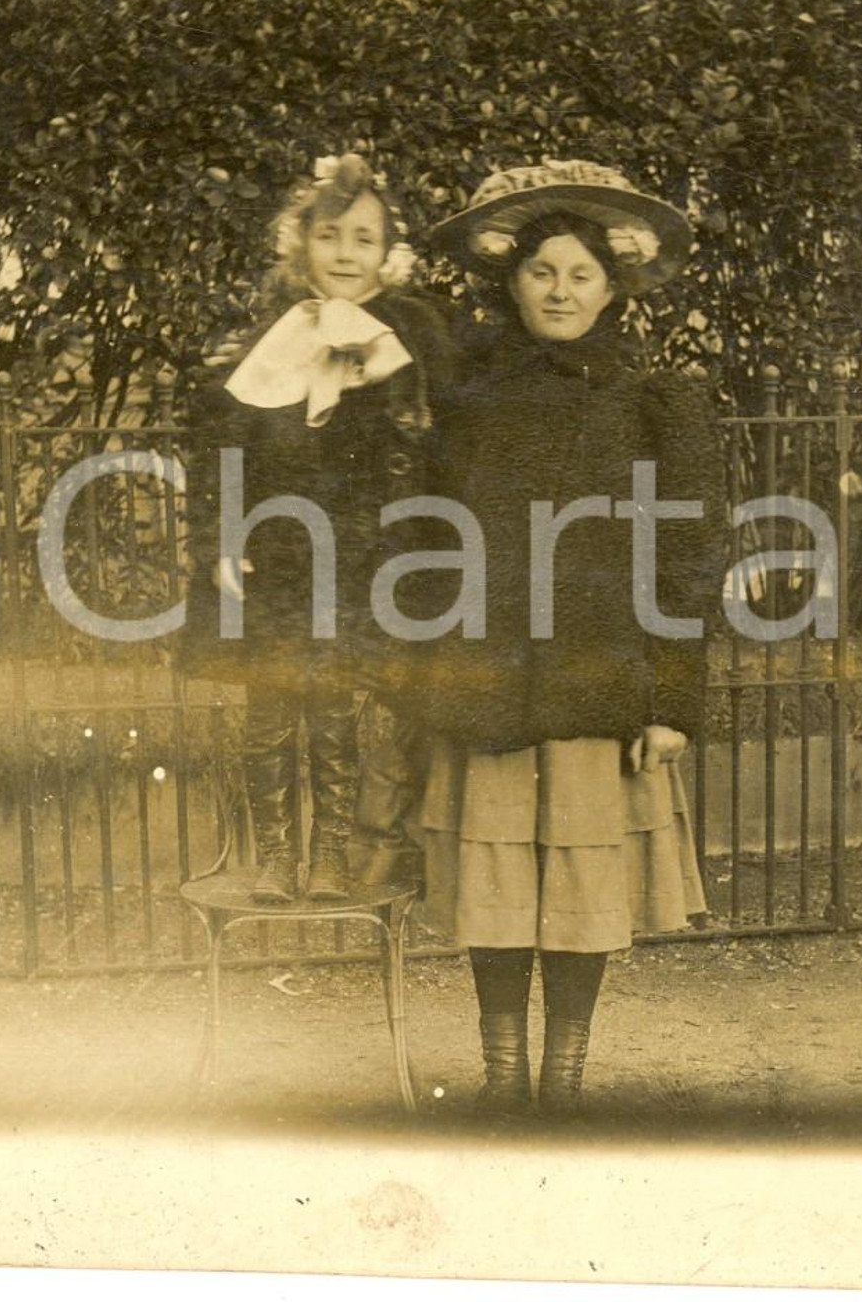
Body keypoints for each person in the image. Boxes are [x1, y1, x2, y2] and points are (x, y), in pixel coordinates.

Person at [409, 158, 726, 1116]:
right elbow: (425, 533)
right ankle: (504, 1075)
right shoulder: (466, 394)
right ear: (510, 281)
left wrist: (672, 698)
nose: (560, 290)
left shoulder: (652, 398)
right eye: (542, 271)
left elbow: (688, 552)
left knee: (583, 893)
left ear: (611, 286)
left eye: (581, 274)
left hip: (600, 680)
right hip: (488, 677)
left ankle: (567, 1077)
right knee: (498, 885)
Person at [183, 154, 456, 904]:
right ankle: (274, 855)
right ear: (299, 243)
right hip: (276, 555)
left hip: (360, 556)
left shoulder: (409, 345)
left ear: (387, 253)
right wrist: (219, 537)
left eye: (362, 238)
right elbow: (225, 451)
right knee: (269, 711)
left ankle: (332, 854)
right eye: (329, 235)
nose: (344, 253)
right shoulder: (267, 341)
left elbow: (429, 451)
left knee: (336, 709)